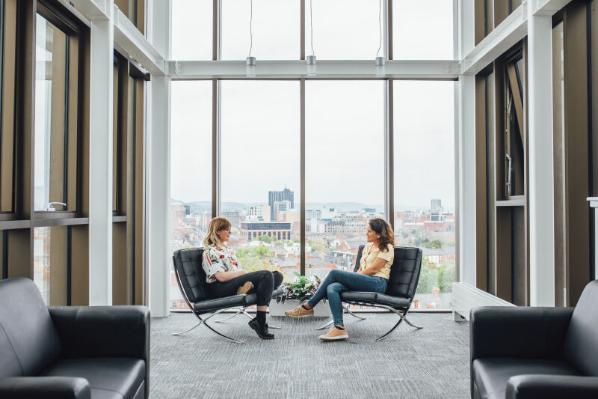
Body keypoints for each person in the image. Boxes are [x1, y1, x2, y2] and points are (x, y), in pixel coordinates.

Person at [285, 218, 395, 341]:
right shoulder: (368, 247)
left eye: (369, 231)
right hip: (365, 281)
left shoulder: (387, 248)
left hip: (377, 283)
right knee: (332, 287)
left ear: (379, 234)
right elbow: (361, 268)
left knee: (334, 273)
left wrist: (355, 278)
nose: (366, 233)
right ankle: (339, 328)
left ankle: (308, 306)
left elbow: (374, 269)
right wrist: (355, 278)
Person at [202, 217, 283, 340]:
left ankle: (242, 289)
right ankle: (260, 322)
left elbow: (235, 271)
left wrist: (243, 275)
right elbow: (221, 277)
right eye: (227, 230)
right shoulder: (209, 252)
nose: (230, 233)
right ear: (218, 231)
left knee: (277, 276)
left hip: (234, 282)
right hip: (220, 288)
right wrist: (242, 273)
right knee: (266, 275)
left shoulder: (228, 250)